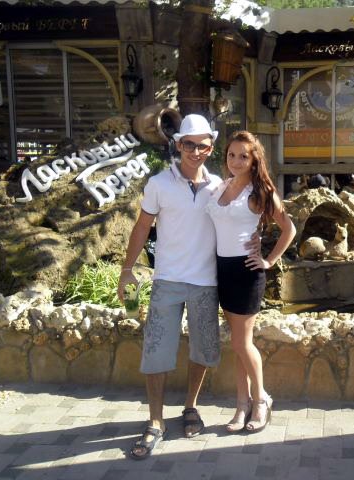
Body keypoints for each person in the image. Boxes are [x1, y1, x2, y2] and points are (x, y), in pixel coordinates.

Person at [117, 114, 257, 460]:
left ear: (211, 147)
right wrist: (126, 270)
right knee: (157, 352)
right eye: (189, 144)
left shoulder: (219, 186)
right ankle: (155, 421)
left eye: (203, 145)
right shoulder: (158, 184)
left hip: (206, 282)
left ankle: (190, 406)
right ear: (178, 144)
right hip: (167, 280)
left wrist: (258, 243)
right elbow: (141, 227)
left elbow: (247, 214)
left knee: (203, 351)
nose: (196, 151)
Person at [206, 131, 296, 433]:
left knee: (241, 343)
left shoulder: (260, 192)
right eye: (232, 155)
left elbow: (289, 229)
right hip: (221, 270)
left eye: (243, 156)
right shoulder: (221, 186)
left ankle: (260, 401)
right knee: (238, 345)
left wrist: (269, 260)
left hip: (246, 271)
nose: (236, 161)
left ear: (254, 159)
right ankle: (241, 405)